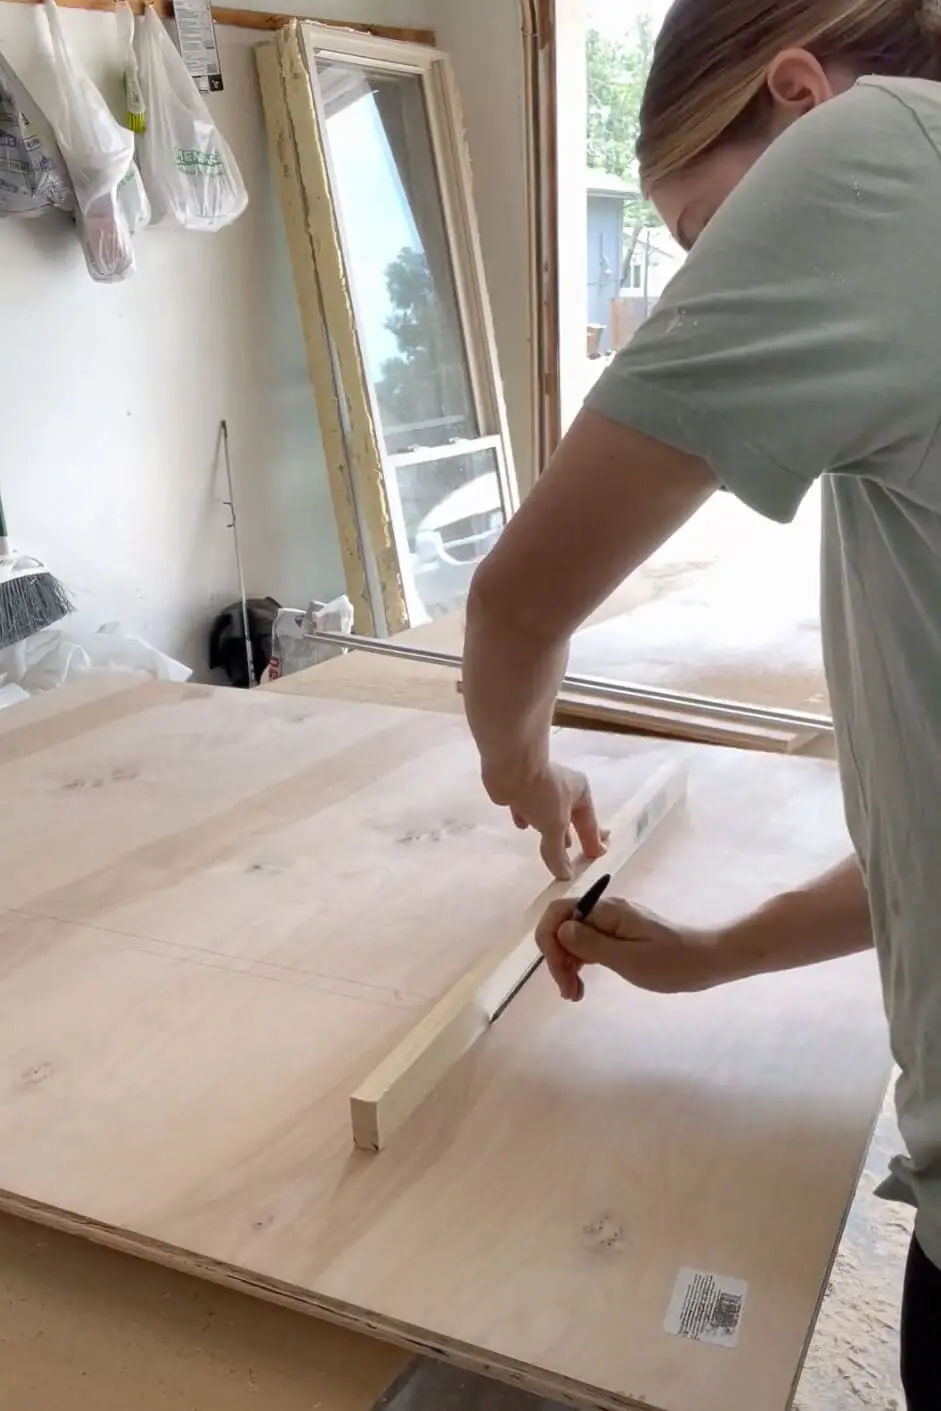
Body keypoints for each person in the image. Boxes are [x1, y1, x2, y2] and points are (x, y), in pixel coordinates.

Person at [460, 0, 941, 1405]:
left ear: (799, 93)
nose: (702, 290)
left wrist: (522, 765)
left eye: (703, 240)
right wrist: (715, 951)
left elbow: (517, 602)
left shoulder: (873, 150)